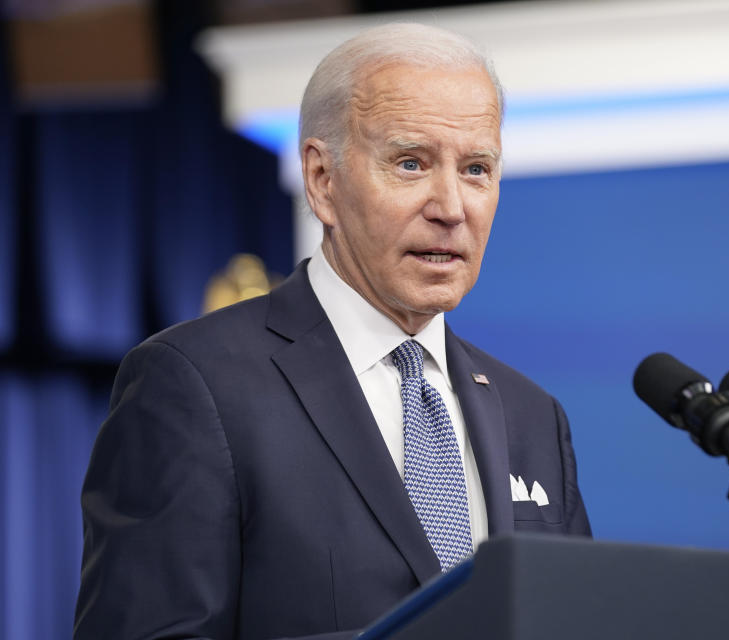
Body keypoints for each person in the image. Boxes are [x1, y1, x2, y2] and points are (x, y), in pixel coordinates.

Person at [74, 23, 590, 640]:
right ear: (322, 180)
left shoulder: (532, 416)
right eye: (410, 162)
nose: (452, 206)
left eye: (477, 168)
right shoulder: (194, 385)